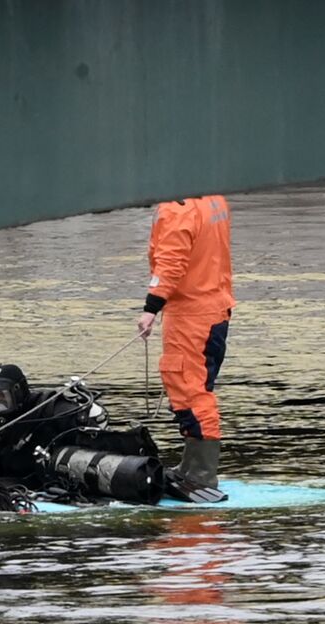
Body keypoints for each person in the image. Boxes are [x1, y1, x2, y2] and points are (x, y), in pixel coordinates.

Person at [0, 363, 156, 499]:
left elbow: (97, 430)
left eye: (2, 399)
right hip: (17, 487)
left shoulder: (50, 409)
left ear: (18, 393)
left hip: (57, 485)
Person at [136, 195, 235, 501]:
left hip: (191, 314)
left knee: (191, 392)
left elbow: (171, 262)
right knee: (198, 388)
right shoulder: (214, 198)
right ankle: (192, 467)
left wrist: (151, 308)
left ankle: (201, 474)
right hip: (214, 307)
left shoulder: (176, 209)